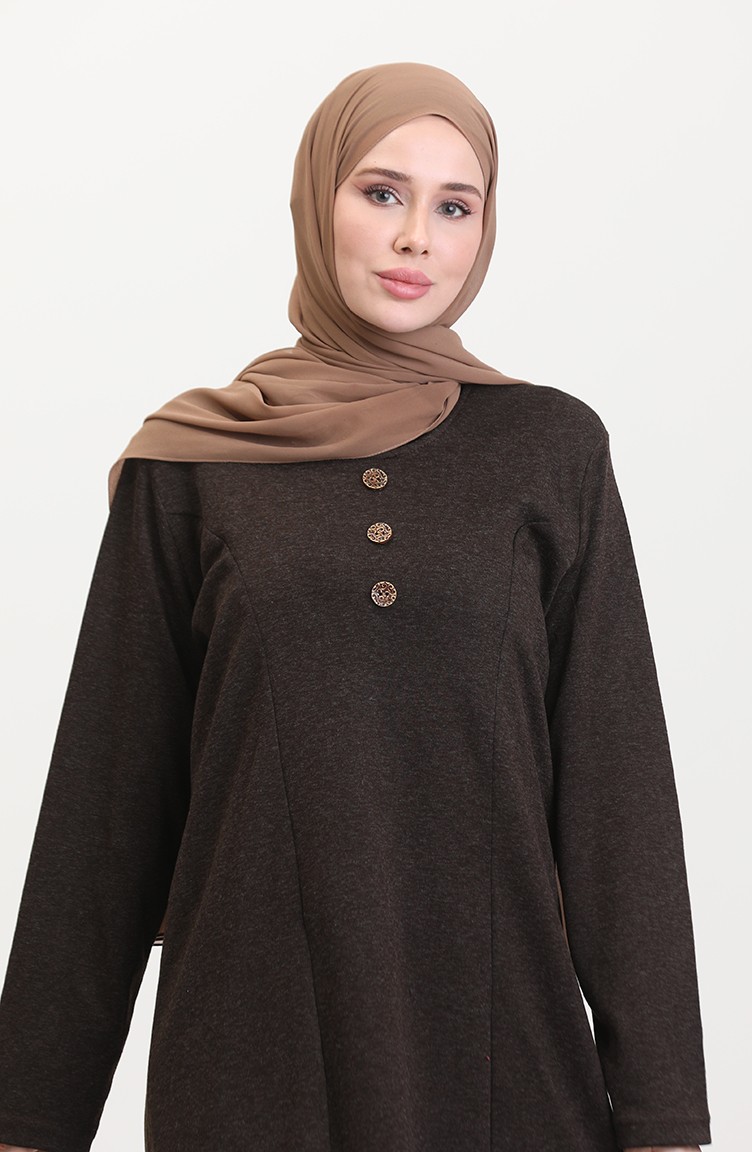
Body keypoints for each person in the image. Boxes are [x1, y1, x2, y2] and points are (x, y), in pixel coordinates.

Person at [0, 62, 711, 1152]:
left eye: (454, 206)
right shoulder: (192, 464)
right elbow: (105, 815)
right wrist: (30, 1118)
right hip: (249, 1070)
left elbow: (619, 807)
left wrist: (663, 1121)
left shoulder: (551, 449)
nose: (416, 236)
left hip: (502, 1068)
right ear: (315, 198)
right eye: (381, 192)